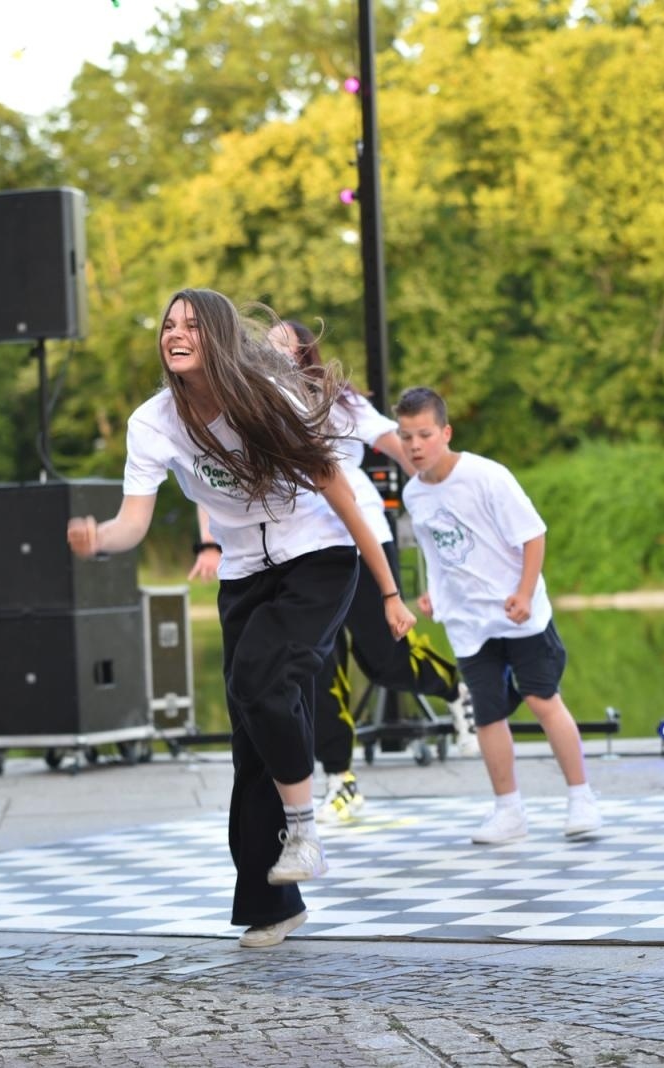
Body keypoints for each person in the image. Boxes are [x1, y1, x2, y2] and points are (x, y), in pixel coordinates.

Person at [67, 289, 414, 950]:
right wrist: (100, 539)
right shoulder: (153, 423)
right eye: (168, 325)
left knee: (261, 680)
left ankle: (305, 829)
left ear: (220, 337)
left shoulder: (268, 395)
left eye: (191, 325)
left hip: (318, 555)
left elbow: (340, 491)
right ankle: (272, 905)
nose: (175, 334)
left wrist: (389, 589)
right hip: (243, 572)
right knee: (251, 732)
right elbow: (133, 522)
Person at [193, 320, 473, 824]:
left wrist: (442, 484)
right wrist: (210, 543)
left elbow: (396, 444)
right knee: (315, 667)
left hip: (358, 535)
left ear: (304, 353)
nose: (272, 352)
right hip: (301, 549)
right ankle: (341, 780)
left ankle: (456, 687)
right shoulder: (247, 401)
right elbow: (212, 475)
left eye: (284, 345)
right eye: (266, 344)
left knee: (383, 657)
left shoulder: (337, 401)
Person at [395, 386, 602, 845]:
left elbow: (533, 535)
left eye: (424, 434)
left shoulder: (487, 476)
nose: (414, 445)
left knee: (542, 699)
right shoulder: (414, 494)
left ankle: (581, 797)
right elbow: (434, 552)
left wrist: (524, 593)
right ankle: (509, 811)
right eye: (406, 436)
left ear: (445, 433)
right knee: (487, 714)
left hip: (518, 612)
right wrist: (433, 594)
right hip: (467, 622)